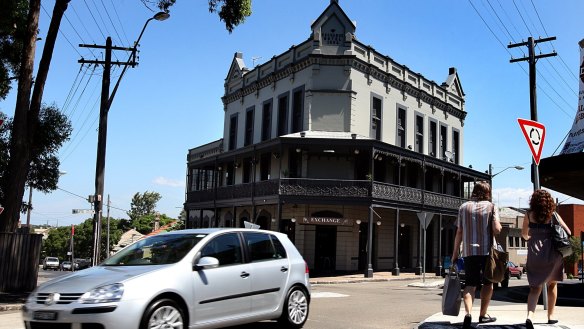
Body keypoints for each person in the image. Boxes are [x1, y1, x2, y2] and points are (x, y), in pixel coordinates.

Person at [451, 181, 502, 329]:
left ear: (474, 191)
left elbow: (459, 232)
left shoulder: (463, 207)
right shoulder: (491, 206)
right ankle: (483, 314)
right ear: (488, 193)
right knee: (488, 283)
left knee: (470, 285)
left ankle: (468, 313)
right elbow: (497, 229)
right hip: (487, 252)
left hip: (469, 252)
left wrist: (455, 253)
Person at [521, 189, 571, 329]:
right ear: (549, 202)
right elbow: (568, 232)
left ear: (534, 202)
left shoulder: (528, 214)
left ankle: (530, 316)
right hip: (552, 254)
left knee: (534, 288)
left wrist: (532, 237)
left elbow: (524, 235)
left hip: (534, 253)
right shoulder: (553, 214)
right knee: (552, 285)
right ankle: (550, 316)